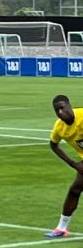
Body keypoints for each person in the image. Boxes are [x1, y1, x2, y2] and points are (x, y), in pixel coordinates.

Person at [45, 94, 83, 238]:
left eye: (62, 108)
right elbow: (53, 145)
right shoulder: (59, 127)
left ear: (69, 106)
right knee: (75, 190)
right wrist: (74, 164)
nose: (60, 112)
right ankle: (61, 228)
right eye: (56, 110)